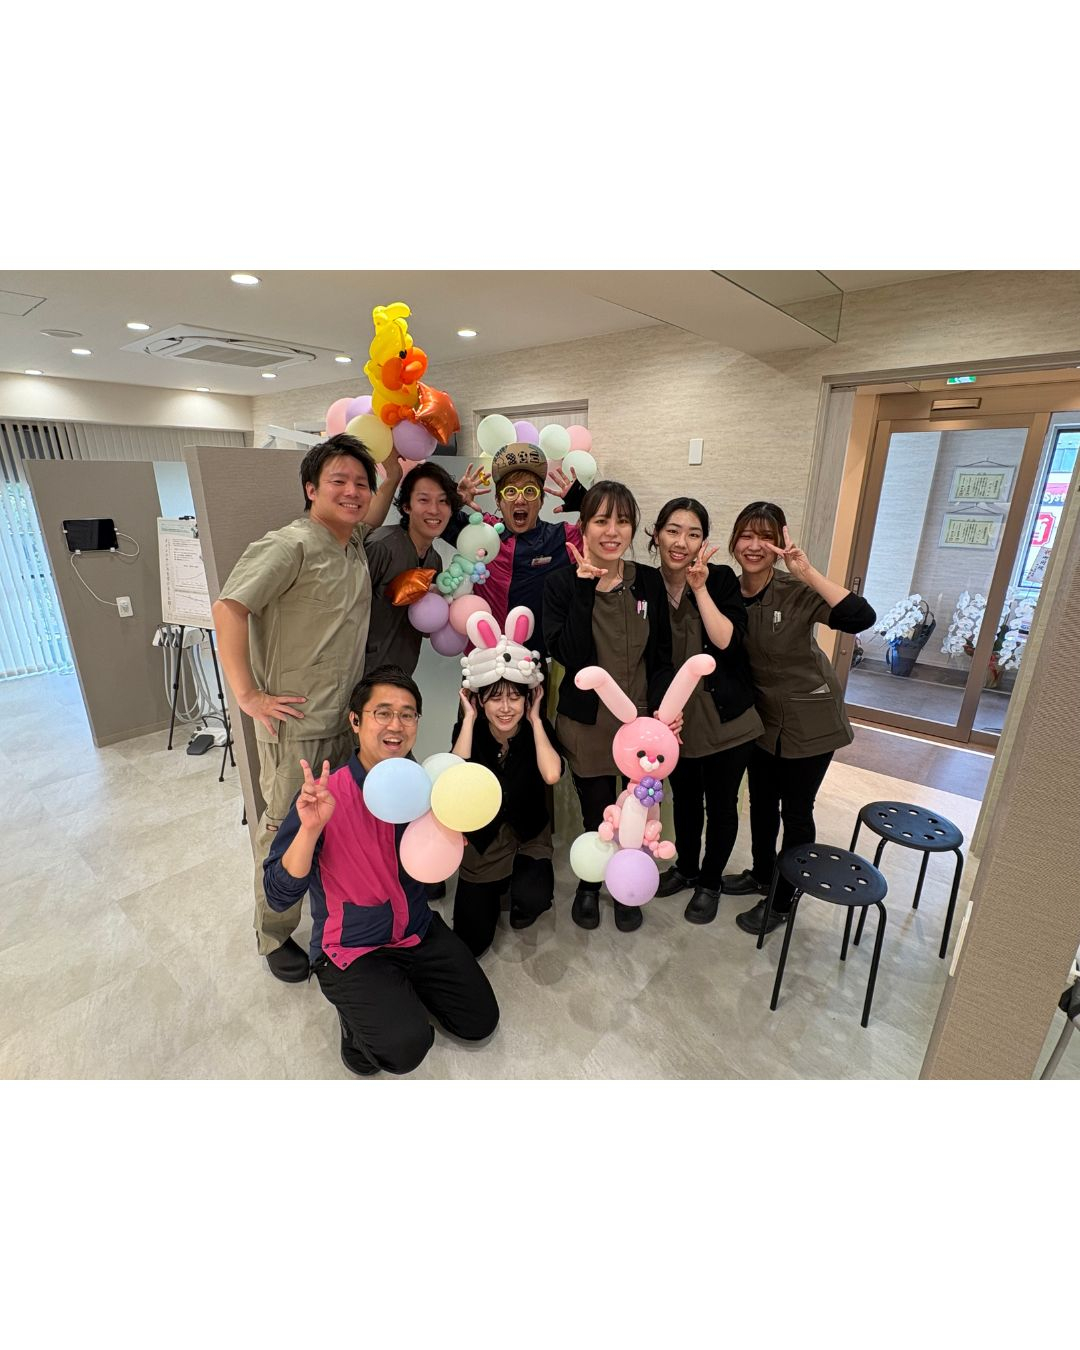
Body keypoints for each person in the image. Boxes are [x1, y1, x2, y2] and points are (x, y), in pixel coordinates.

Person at [213, 433, 402, 982]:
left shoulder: (352, 540)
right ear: (310, 488)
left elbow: (377, 501)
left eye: (361, 483)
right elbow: (228, 608)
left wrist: (391, 462)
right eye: (338, 481)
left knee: (335, 825)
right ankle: (273, 935)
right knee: (284, 832)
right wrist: (247, 695)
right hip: (297, 726)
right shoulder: (288, 545)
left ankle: (331, 917)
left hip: (347, 721)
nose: (353, 492)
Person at [263, 666, 500, 1076]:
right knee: (402, 1049)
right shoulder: (326, 794)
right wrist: (310, 830)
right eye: (383, 713)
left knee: (480, 1022)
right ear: (356, 722)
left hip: (417, 931)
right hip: (352, 949)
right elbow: (278, 894)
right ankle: (356, 1020)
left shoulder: (427, 790)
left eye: (408, 714)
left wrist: (450, 833)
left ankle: (401, 991)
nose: (396, 725)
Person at [718, 501, 877, 936]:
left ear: (779, 544)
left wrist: (806, 571)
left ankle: (783, 898)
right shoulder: (728, 590)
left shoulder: (795, 589)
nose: (754, 546)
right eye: (746, 535)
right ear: (734, 541)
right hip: (761, 718)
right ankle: (761, 873)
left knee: (796, 810)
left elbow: (860, 617)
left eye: (765, 537)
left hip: (812, 719)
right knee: (761, 802)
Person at [543, 480, 676, 932]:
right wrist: (585, 589)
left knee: (640, 812)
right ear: (583, 527)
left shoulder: (649, 582)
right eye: (601, 520)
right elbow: (570, 654)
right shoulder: (560, 583)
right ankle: (590, 882)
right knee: (597, 809)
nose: (612, 531)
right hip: (588, 722)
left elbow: (661, 658)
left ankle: (628, 882)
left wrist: (663, 713)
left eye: (622, 521)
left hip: (643, 726)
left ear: (634, 528)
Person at [649, 498, 765, 924]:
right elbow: (652, 659)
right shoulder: (646, 585)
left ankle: (710, 881)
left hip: (727, 718)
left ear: (703, 542)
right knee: (683, 800)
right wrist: (663, 709)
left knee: (720, 805)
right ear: (657, 534)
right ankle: (686, 868)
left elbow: (726, 642)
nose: (681, 542)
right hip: (677, 721)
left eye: (693, 534)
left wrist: (699, 588)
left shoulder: (720, 580)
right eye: (673, 531)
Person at [450, 617, 563, 957]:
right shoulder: (469, 731)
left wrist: (536, 719)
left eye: (515, 697)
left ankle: (520, 889)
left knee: (533, 897)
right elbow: (454, 776)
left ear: (527, 699)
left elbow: (552, 775)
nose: (505, 708)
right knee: (471, 942)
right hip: (485, 837)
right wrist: (468, 718)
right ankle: (497, 884)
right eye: (495, 698)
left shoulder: (536, 730)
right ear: (480, 700)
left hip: (528, 833)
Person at [445, 442, 587, 660]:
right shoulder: (481, 531)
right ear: (498, 500)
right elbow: (435, 519)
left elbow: (605, 531)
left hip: (535, 661)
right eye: (510, 492)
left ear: (541, 501)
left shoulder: (562, 537)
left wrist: (584, 500)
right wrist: (454, 501)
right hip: (483, 660)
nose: (520, 499)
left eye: (530, 491)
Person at [364, 460, 465, 675]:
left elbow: (425, 624)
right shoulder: (381, 546)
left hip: (401, 673)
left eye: (443, 501)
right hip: (362, 675)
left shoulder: (434, 560)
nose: (434, 510)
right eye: (423, 500)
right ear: (406, 506)